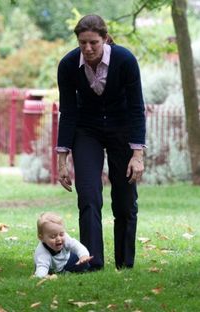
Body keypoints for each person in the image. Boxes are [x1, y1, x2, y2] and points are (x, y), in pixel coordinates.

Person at [56, 15, 146, 271]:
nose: (87, 48)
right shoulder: (68, 65)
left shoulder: (125, 60)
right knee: (88, 196)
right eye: (82, 42)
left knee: (125, 201)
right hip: (87, 131)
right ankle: (92, 264)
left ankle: (124, 265)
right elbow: (68, 112)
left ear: (105, 39)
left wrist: (137, 154)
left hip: (122, 131)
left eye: (93, 42)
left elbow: (137, 108)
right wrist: (62, 160)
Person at [34, 212, 93, 278]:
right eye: (53, 236)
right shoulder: (42, 252)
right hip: (50, 266)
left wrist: (83, 256)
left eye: (61, 234)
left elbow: (77, 246)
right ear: (41, 238)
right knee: (43, 271)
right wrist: (41, 276)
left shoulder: (66, 238)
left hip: (66, 260)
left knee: (84, 264)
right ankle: (57, 272)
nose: (58, 239)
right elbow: (42, 266)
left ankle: (64, 270)